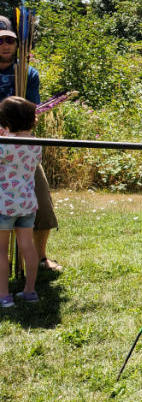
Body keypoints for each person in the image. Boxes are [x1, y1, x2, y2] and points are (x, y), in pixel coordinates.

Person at [0, 15, 60, 273]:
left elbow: (32, 110)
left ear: (17, 43)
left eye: (9, 40)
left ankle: (41, 257)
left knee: (41, 204)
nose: (4, 45)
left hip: (21, 148)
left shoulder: (27, 73)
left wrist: (16, 128)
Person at [0, 97, 42, 307]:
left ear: (6, 123)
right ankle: (30, 290)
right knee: (28, 247)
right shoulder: (35, 144)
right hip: (27, 203)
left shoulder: (4, 145)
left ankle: (4, 296)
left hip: (3, 205)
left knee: (1, 250)